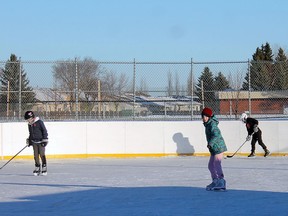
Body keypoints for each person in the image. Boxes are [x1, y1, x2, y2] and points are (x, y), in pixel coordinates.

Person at [201, 107, 227, 191]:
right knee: (210, 166)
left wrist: (211, 143)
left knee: (216, 163)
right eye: (203, 116)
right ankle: (215, 181)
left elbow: (216, 135)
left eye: (205, 116)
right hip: (214, 148)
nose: (204, 118)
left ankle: (221, 181)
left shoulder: (212, 124)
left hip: (218, 147)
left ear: (209, 117)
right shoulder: (208, 124)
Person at [24, 111, 49, 176]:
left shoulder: (39, 122)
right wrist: (29, 140)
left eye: (28, 119)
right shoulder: (29, 125)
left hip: (41, 142)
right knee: (35, 155)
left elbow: (44, 131)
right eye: (27, 120)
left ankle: (44, 167)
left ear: (32, 117)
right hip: (34, 142)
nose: (28, 121)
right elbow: (30, 133)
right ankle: (37, 166)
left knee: (41, 154)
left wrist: (45, 140)